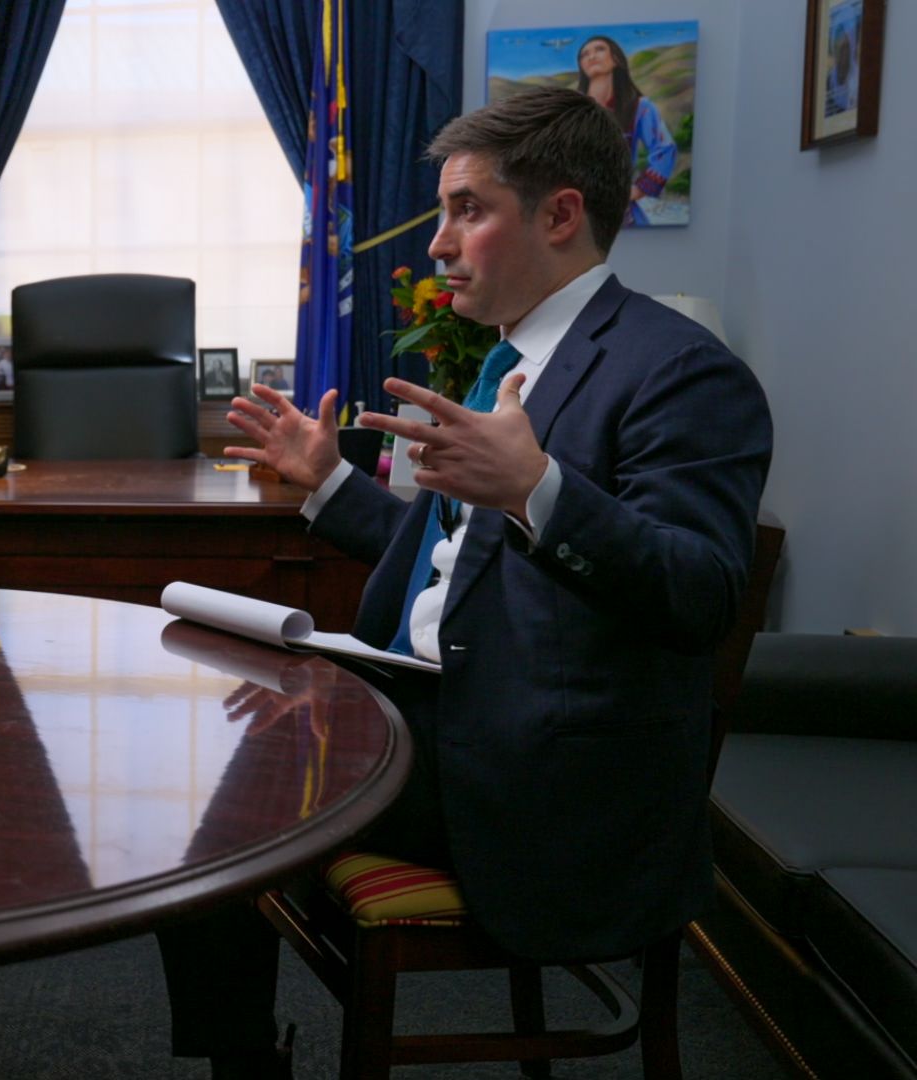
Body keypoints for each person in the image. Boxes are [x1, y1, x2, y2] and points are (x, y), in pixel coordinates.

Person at [157, 86, 771, 1078]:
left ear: (561, 215)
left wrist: (539, 489)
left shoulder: (680, 373)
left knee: (227, 801)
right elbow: (467, 564)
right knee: (222, 741)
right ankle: (243, 1056)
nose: (438, 243)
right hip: (439, 718)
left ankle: (242, 1066)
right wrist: (329, 484)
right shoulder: (506, 364)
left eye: (467, 210)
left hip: (548, 781)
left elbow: (699, 593)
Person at [575, 34, 678, 227]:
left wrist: (638, 190)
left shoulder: (640, 107)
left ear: (616, 58)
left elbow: (666, 149)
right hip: (574, 213)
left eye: (599, 49)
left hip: (620, 214)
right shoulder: (570, 110)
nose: (591, 56)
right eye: (584, 54)